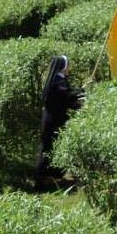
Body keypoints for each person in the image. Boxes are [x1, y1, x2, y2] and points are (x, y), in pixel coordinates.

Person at [35, 55, 83, 184]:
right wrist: (82, 90)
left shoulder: (59, 80)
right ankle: (42, 178)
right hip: (53, 120)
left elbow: (66, 100)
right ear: (63, 66)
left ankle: (54, 175)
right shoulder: (57, 82)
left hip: (55, 118)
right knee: (49, 147)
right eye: (68, 65)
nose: (69, 67)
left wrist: (78, 104)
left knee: (56, 146)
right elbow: (67, 95)